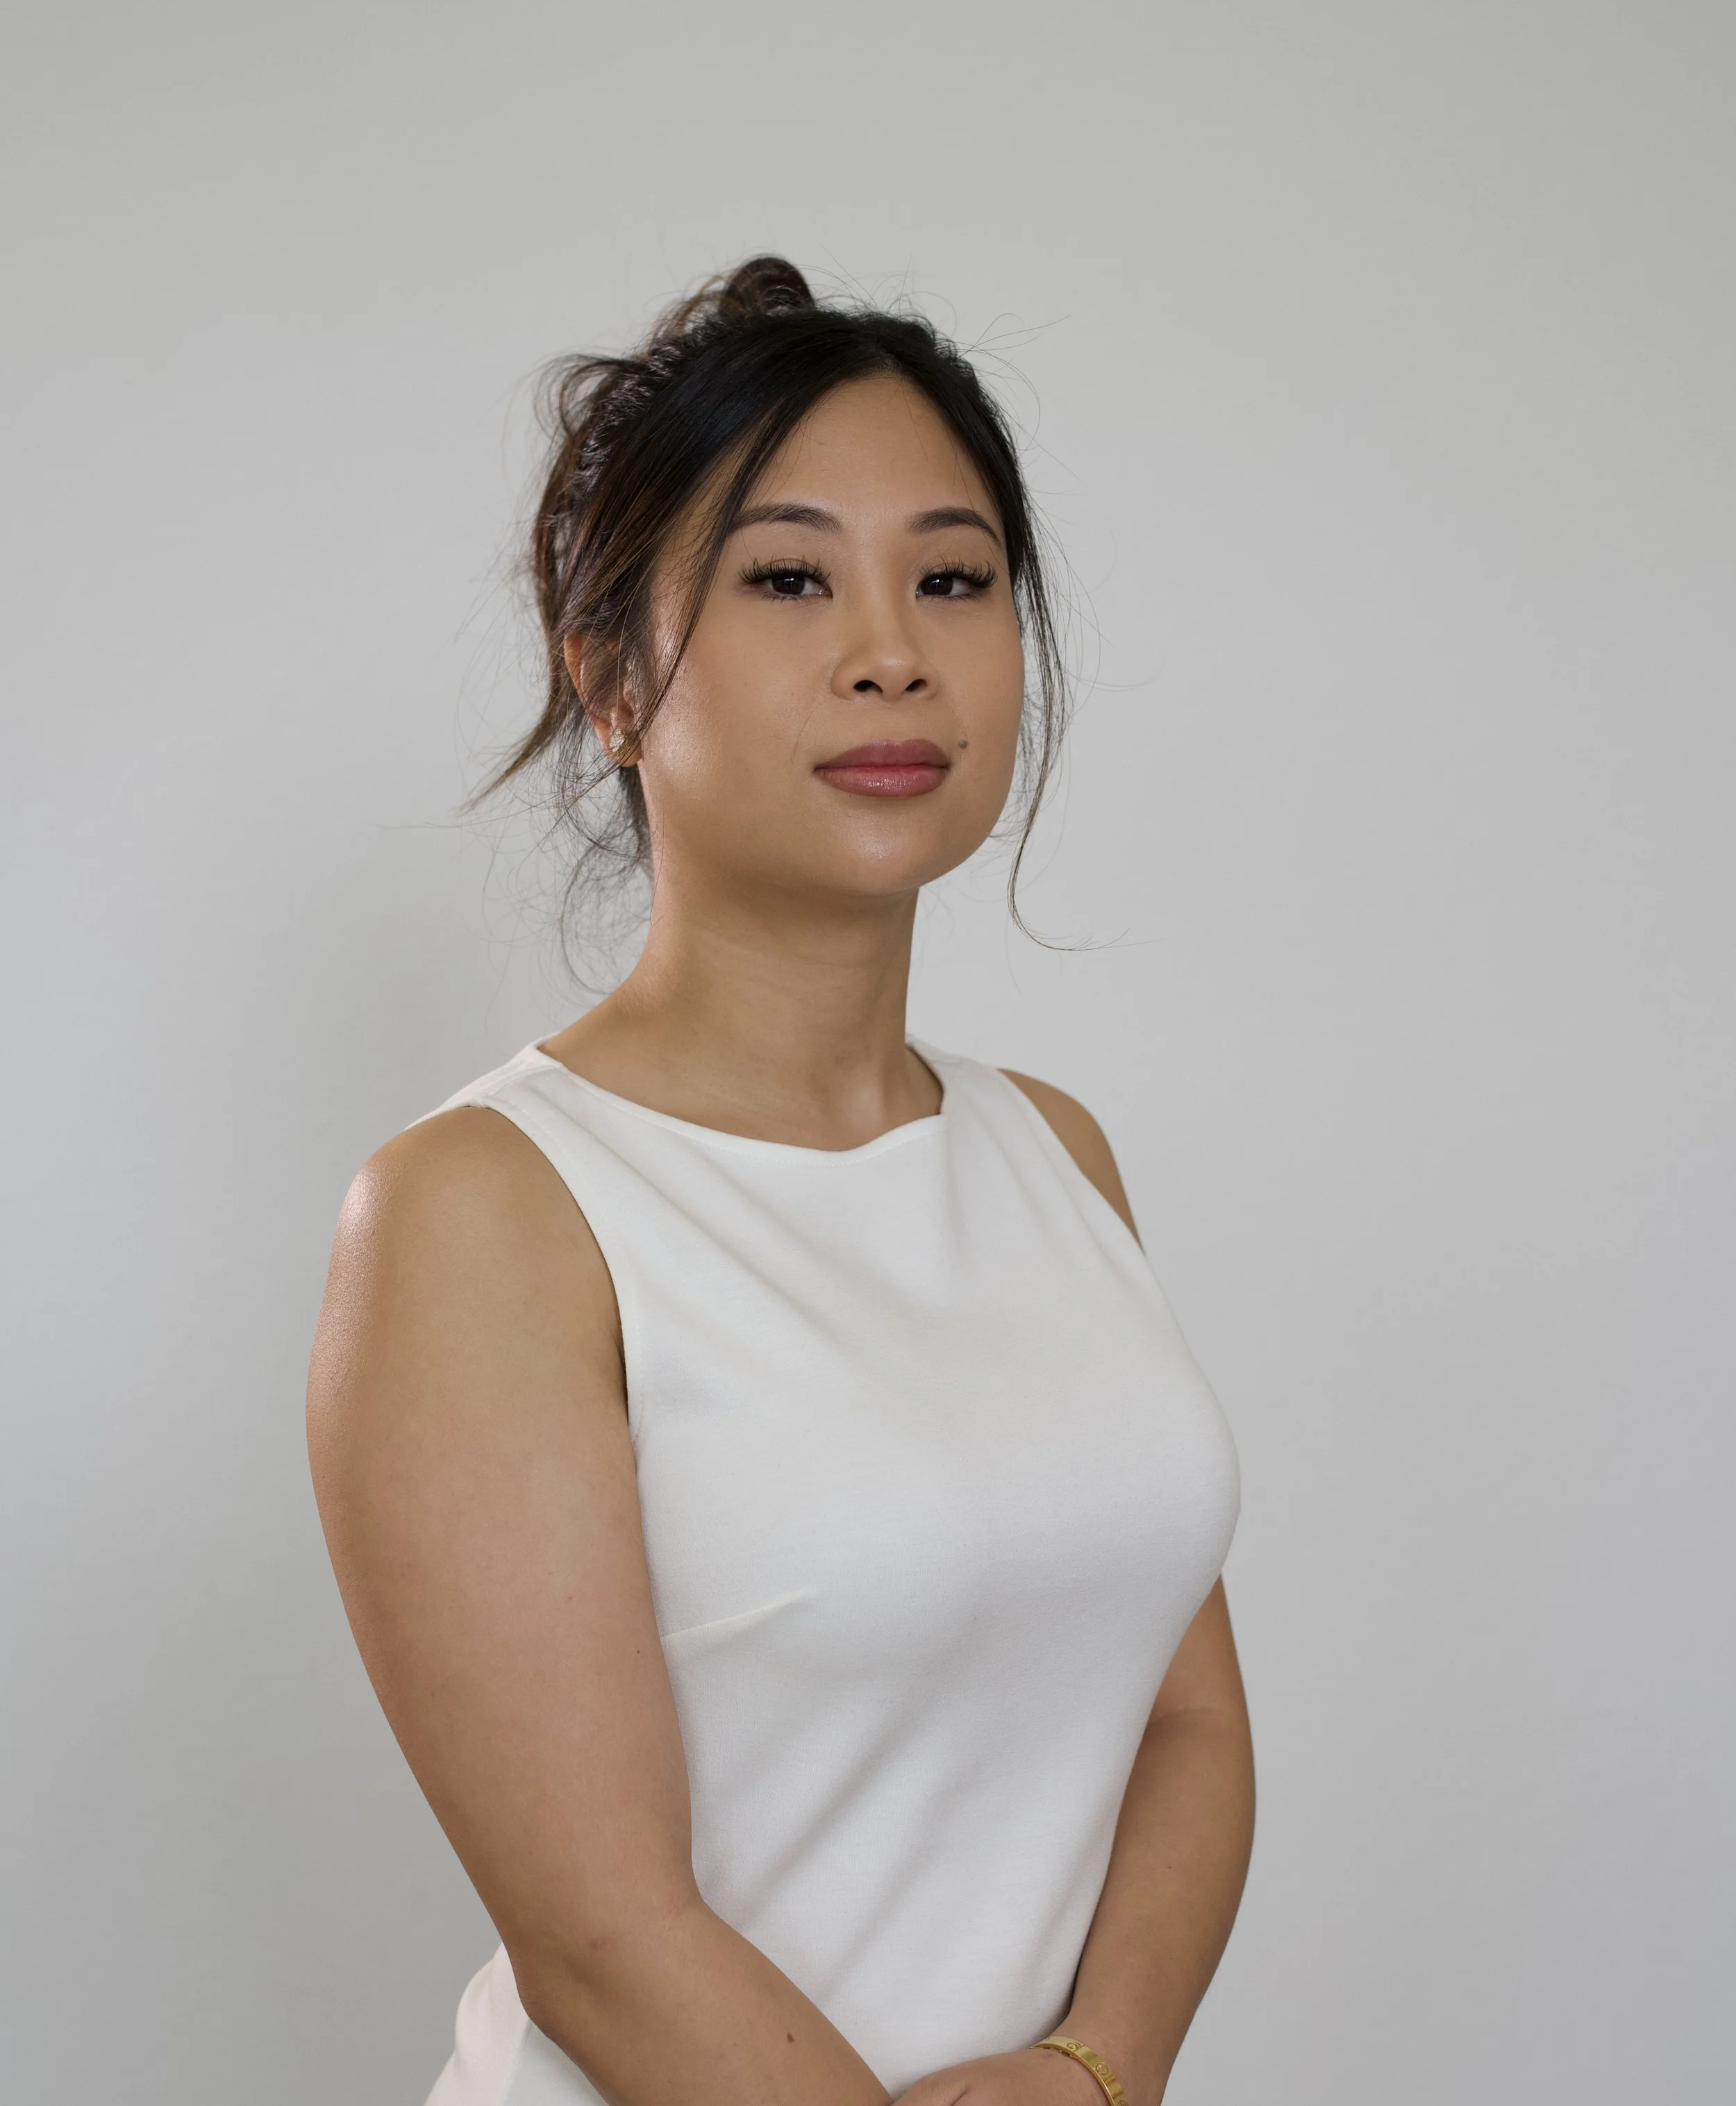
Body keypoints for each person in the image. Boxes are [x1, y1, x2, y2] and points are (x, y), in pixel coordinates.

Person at [306, 257, 1252, 2106]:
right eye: (788, 578)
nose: (891, 650)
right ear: (608, 676)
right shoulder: (484, 1210)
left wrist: (1095, 2066)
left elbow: (1186, 1720)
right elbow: (604, 1940)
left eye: (953, 578)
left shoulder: (1053, 1153)